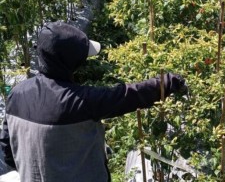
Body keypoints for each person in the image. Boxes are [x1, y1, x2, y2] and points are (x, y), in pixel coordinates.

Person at [0, 21, 187, 182]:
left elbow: (8, 152)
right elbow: (128, 95)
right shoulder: (80, 102)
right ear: (71, 63)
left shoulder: (16, 94)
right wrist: (168, 82)